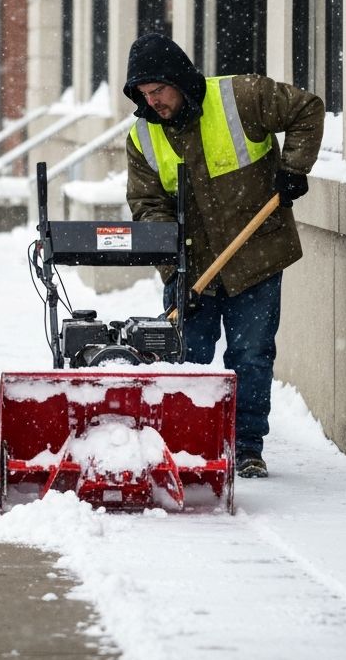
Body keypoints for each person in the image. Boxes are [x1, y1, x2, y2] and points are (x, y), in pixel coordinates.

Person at [123, 32, 324, 479]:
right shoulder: (142, 137)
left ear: (179, 78)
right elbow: (147, 204)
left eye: (159, 91)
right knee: (186, 357)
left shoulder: (242, 96)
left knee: (251, 354)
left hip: (255, 254)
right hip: (192, 266)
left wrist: (293, 169)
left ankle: (246, 446)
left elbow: (307, 108)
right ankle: (190, 446)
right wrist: (173, 266)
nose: (153, 102)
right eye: (144, 95)